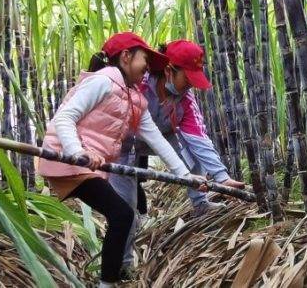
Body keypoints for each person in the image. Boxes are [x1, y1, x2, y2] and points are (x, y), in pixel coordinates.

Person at [36, 32, 205, 287]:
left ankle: (110, 280)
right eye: (144, 59)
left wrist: (185, 176)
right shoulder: (102, 81)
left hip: (86, 164)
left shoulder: (134, 97)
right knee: (123, 214)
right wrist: (78, 151)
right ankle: (108, 282)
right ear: (126, 57)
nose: (148, 67)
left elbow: (157, 140)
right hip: (68, 160)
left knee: (123, 215)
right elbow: (64, 117)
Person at [109, 39, 244, 278]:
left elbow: (199, 138)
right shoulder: (139, 86)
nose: (189, 87)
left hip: (164, 139)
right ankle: (124, 264)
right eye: (187, 79)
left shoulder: (185, 100)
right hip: (123, 145)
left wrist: (222, 177)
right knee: (126, 205)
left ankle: (200, 204)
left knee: (193, 153)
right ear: (170, 70)